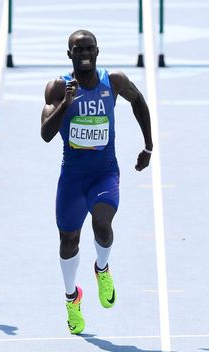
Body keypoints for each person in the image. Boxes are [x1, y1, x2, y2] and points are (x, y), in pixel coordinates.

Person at [41, 29, 153, 334]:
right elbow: (46, 134)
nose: (84, 54)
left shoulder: (112, 81)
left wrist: (148, 146)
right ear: (69, 54)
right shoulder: (57, 87)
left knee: (102, 224)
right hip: (72, 178)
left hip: (104, 173)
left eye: (89, 48)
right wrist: (65, 104)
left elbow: (138, 101)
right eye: (78, 50)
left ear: (97, 51)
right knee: (68, 242)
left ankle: (102, 268)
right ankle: (72, 298)